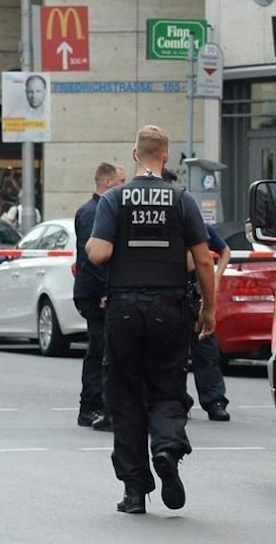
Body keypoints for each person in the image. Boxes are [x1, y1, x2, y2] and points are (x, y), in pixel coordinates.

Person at [85, 126, 217, 515]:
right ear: (166, 155)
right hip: (170, 309)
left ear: (134, 154)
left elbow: (98, 254)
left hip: (125, 309)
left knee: (125, 398)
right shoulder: (182, 199)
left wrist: (102, 241)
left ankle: (135, 492)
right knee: (168, 388)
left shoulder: (114, 199)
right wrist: (209, 310)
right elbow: (205, 260)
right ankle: (167, 450)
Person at [164, 167, 232, 422]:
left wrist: (215, 278)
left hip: (192, 289)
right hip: (169, 289)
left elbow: (223, 251)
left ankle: (214, 401)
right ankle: (178, 400)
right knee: (174, 352)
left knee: (205, 349)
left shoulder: (190, 218)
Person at [72, 161, 125, 430]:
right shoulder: (94, 213)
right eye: (120, 182)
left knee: (105, 351)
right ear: (106, 183)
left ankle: (101, 405)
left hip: (99, 291)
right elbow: (93, 259)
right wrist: (105, 292)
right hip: (96, 294)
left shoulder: (97, 210)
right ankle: (90, 407)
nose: (124, 188)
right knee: (99, 351)